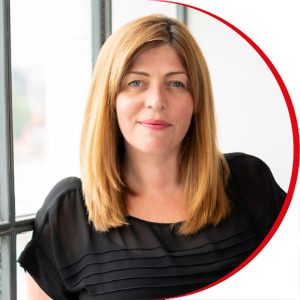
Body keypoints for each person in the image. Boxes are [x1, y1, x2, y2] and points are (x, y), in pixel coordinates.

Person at [18, 14, 286, 300]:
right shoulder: (68, 214)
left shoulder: (250, 182)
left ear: (197, 101)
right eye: (136, 83)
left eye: (176, 84)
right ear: (109, 99)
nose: (156, 100)